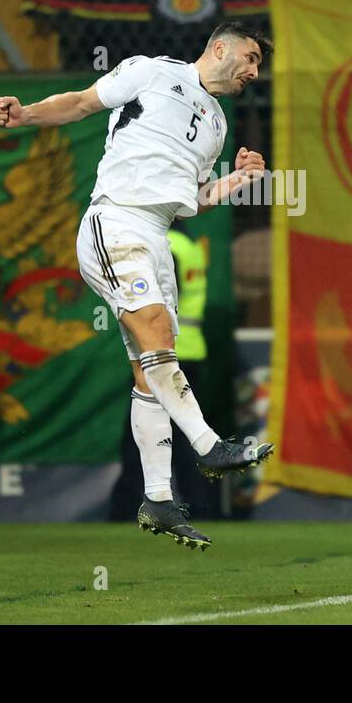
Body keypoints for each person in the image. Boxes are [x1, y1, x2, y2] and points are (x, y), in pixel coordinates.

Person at [0, 21, 274, 550]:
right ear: (220, 48)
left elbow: (193, 198)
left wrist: (236, 181)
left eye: (258, 65)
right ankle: (209, 445)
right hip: (116, 221)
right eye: (252, 58)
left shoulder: (216, 123)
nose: (254, 72)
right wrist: (27, 114)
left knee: (151, 364)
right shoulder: (151, 72)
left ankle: (159, 500)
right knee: (155, 330)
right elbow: (79, 103)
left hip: (157, 235)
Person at [107, 221, 218, 521]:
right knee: (187, 437)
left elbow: (158, 304)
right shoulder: (189, 246)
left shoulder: (162, 244)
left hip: (166, 355)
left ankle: (125, 507)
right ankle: (201, 506)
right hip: (191, 351)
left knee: (141, 434)